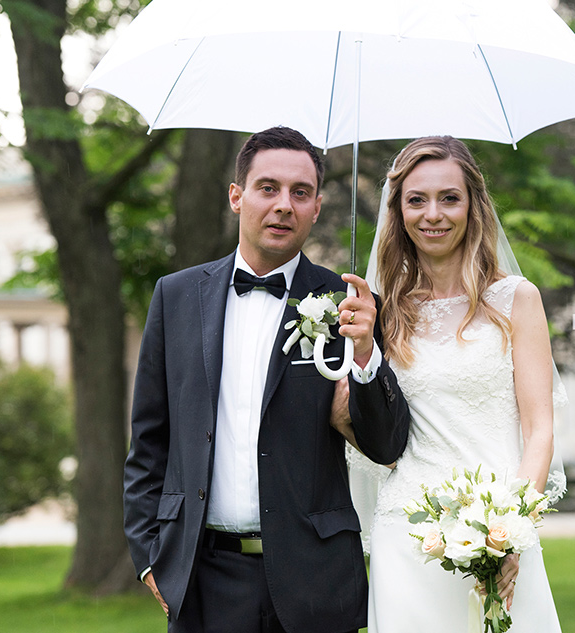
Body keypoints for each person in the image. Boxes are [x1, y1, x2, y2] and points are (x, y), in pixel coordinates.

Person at [124, 126, 411, 633]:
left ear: (318, 207)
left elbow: (385, 444)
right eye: (268, 188)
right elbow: (150, 440)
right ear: (237, 196)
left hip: (314, 580)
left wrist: (365, 353)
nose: (284, 205)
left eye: (300, 193)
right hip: (202, 578)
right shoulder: (176, 296)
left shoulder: (349, 305)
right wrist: (151, 557)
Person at [335, 136, 568, 632]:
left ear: (473, 205)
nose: (432, 214)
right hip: (409, 533)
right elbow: (370, 431)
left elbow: (540, 430)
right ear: (397, 211)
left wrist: (511, 533)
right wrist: (360, 353)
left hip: (498, 531)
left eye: (449, 198)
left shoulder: (516, 300)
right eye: (416, 200)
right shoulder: (383, 311)